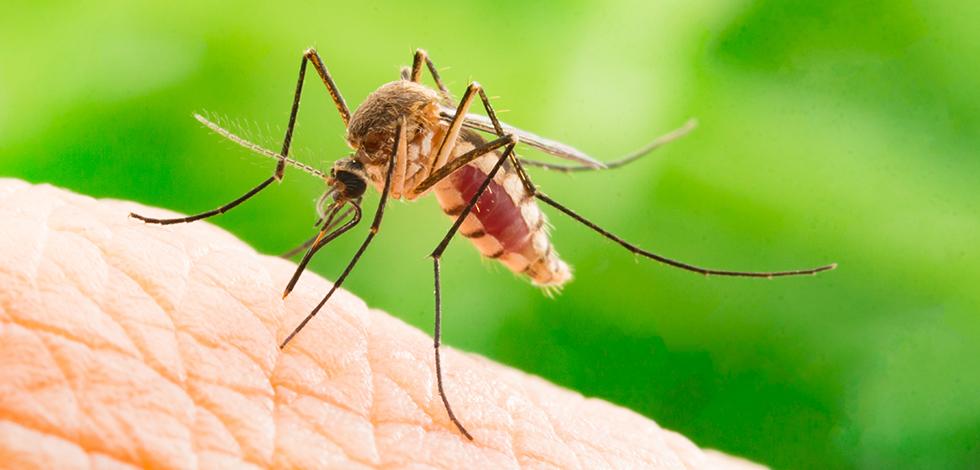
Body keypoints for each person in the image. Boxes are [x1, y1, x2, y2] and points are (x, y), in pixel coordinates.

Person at [0, 179, 763, 469]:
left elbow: (453, 150)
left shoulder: (415, 157)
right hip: (437, 160)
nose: (340, 194)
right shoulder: (371, 149)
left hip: (473, 172)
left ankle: (607, 237)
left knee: (452, 163)